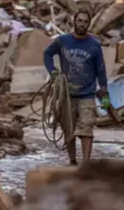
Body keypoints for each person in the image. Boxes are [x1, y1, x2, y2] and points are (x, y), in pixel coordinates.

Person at [43, 9, 110, 167]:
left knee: (87, 128)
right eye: (79, 20)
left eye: (85, 22)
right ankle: (72, 161)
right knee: (69, 128)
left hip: (87, 93)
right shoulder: (63, 41)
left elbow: (100, 68)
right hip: (67, 93)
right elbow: (47, 53)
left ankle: (85, 164)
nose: (82, 24)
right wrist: (52, 72)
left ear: (88, 24)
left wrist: (105, 91)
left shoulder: (94, 45)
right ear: (74, 22)